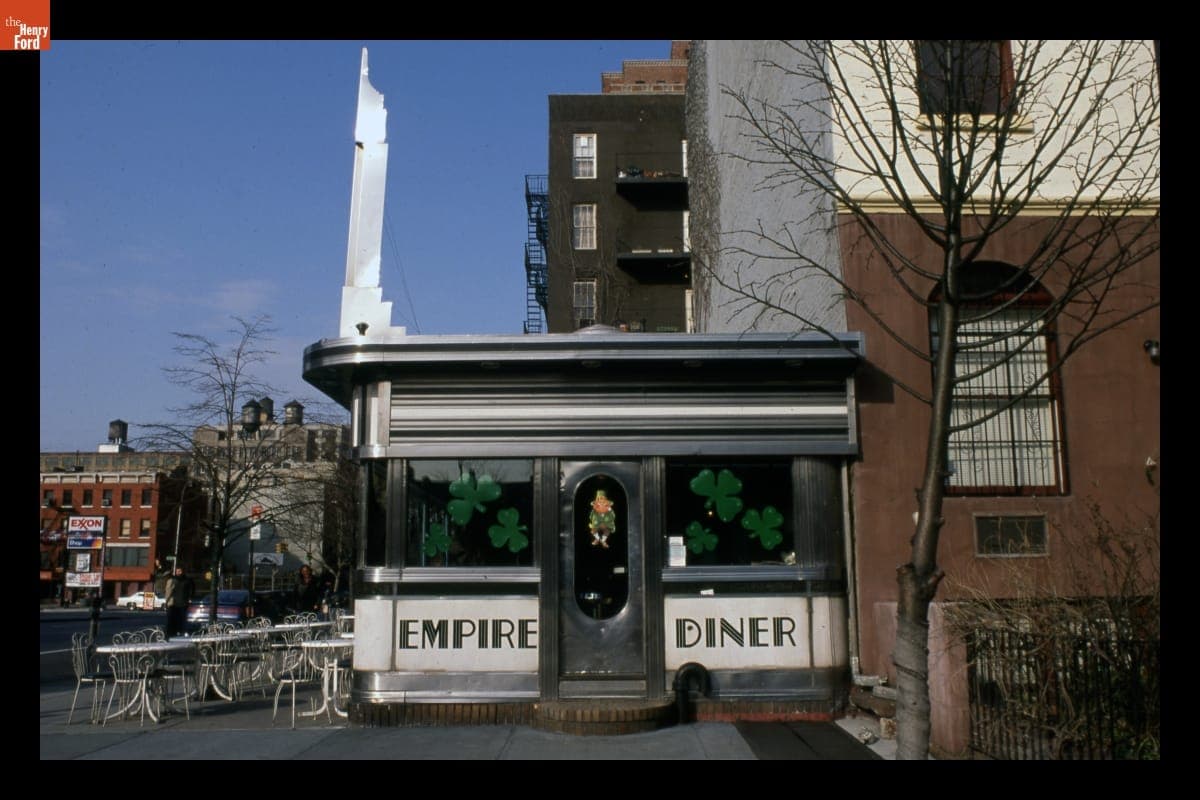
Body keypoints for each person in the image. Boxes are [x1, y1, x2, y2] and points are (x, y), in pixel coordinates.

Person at [164, 567, 192, 637]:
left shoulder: (186, 580)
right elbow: (168, 592)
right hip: (174, 603)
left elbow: (190, 591)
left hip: (180, 603)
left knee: (177, 619)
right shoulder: (174, 580)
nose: (179, 572)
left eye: (180, 571)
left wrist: (189, 598)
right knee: (174, 619)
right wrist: (167, 601)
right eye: (177, 571)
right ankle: (173, 632)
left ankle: (176, 631)